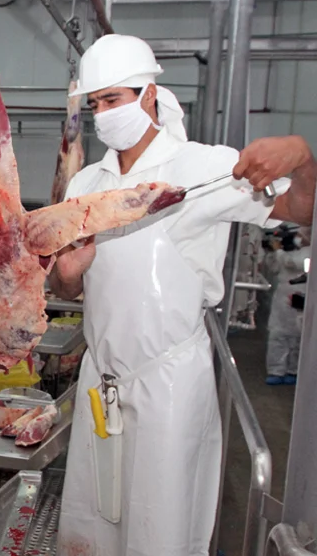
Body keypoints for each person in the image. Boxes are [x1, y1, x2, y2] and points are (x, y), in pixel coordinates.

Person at [49, 34, 317, 556]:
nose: (103, 114)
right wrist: (69, 275)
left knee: (161, 525)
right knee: (91, 522)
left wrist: (302, 157)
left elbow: (302, 210)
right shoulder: (86, 183)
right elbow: (65, 286)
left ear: (149, 95)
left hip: (167, 380)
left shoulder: (203, 167)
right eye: (95, 104)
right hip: (100, 378)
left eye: (114, 99)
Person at [265, 226, 309, 385]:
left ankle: (293, 370)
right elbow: (274, 268)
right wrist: (272, 253)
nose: (298, 238)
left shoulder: (310, 252)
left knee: (299, 336)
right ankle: (276, 370)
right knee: (278, 334)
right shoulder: (287, 251)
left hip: (302, 296)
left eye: (300, 235)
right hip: (282, 297)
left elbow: (294, 263)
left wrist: (278, 251)